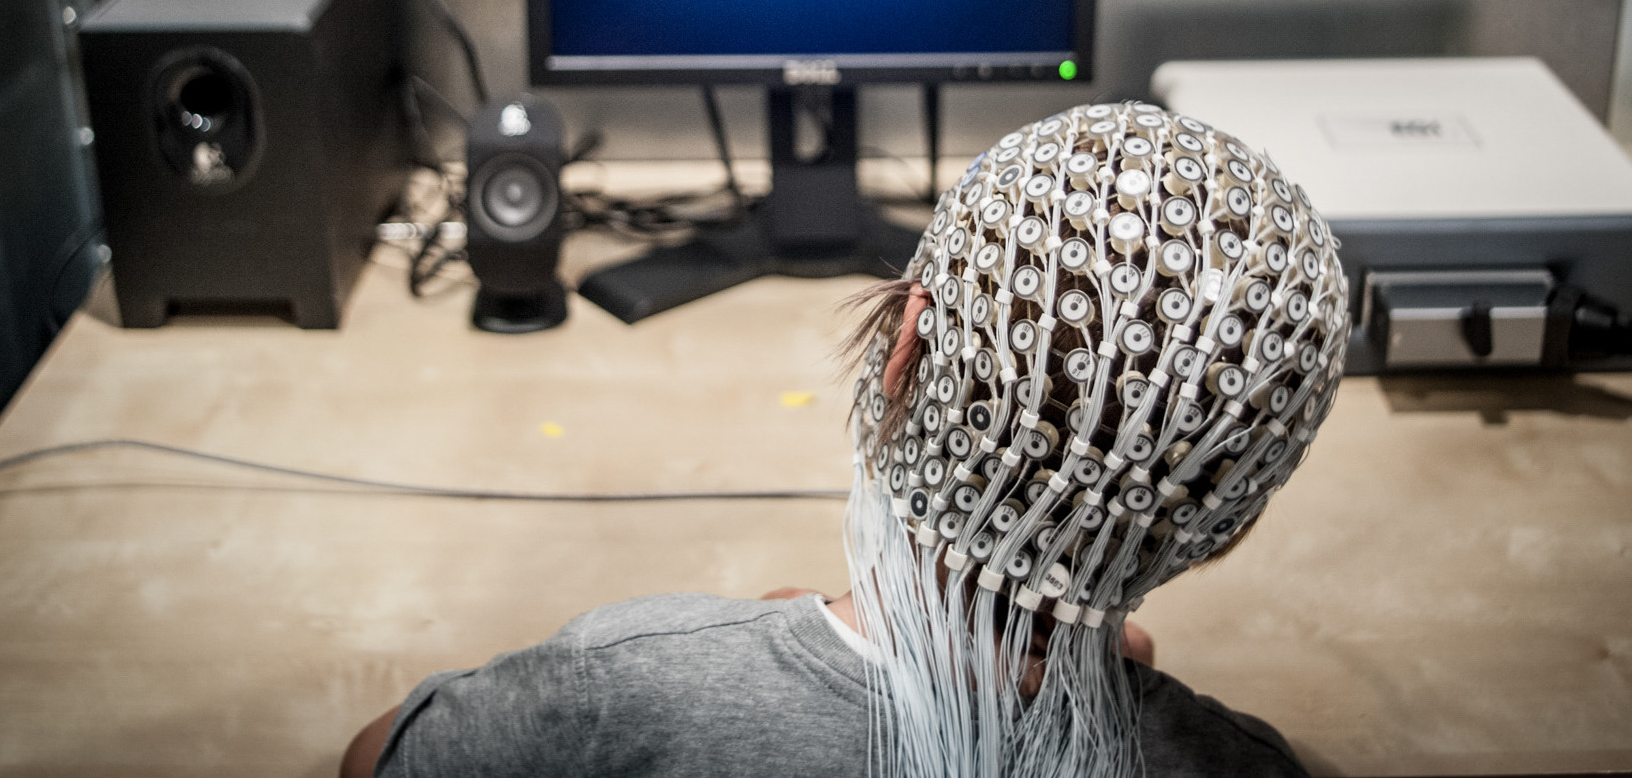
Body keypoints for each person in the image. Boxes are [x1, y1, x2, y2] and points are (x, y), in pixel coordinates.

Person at [344, 102, 1348, 777]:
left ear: (903, 353)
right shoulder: (1244, 763)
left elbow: (377, 758)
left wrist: (741, 650)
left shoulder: (627, 688)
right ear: (1230, 513)